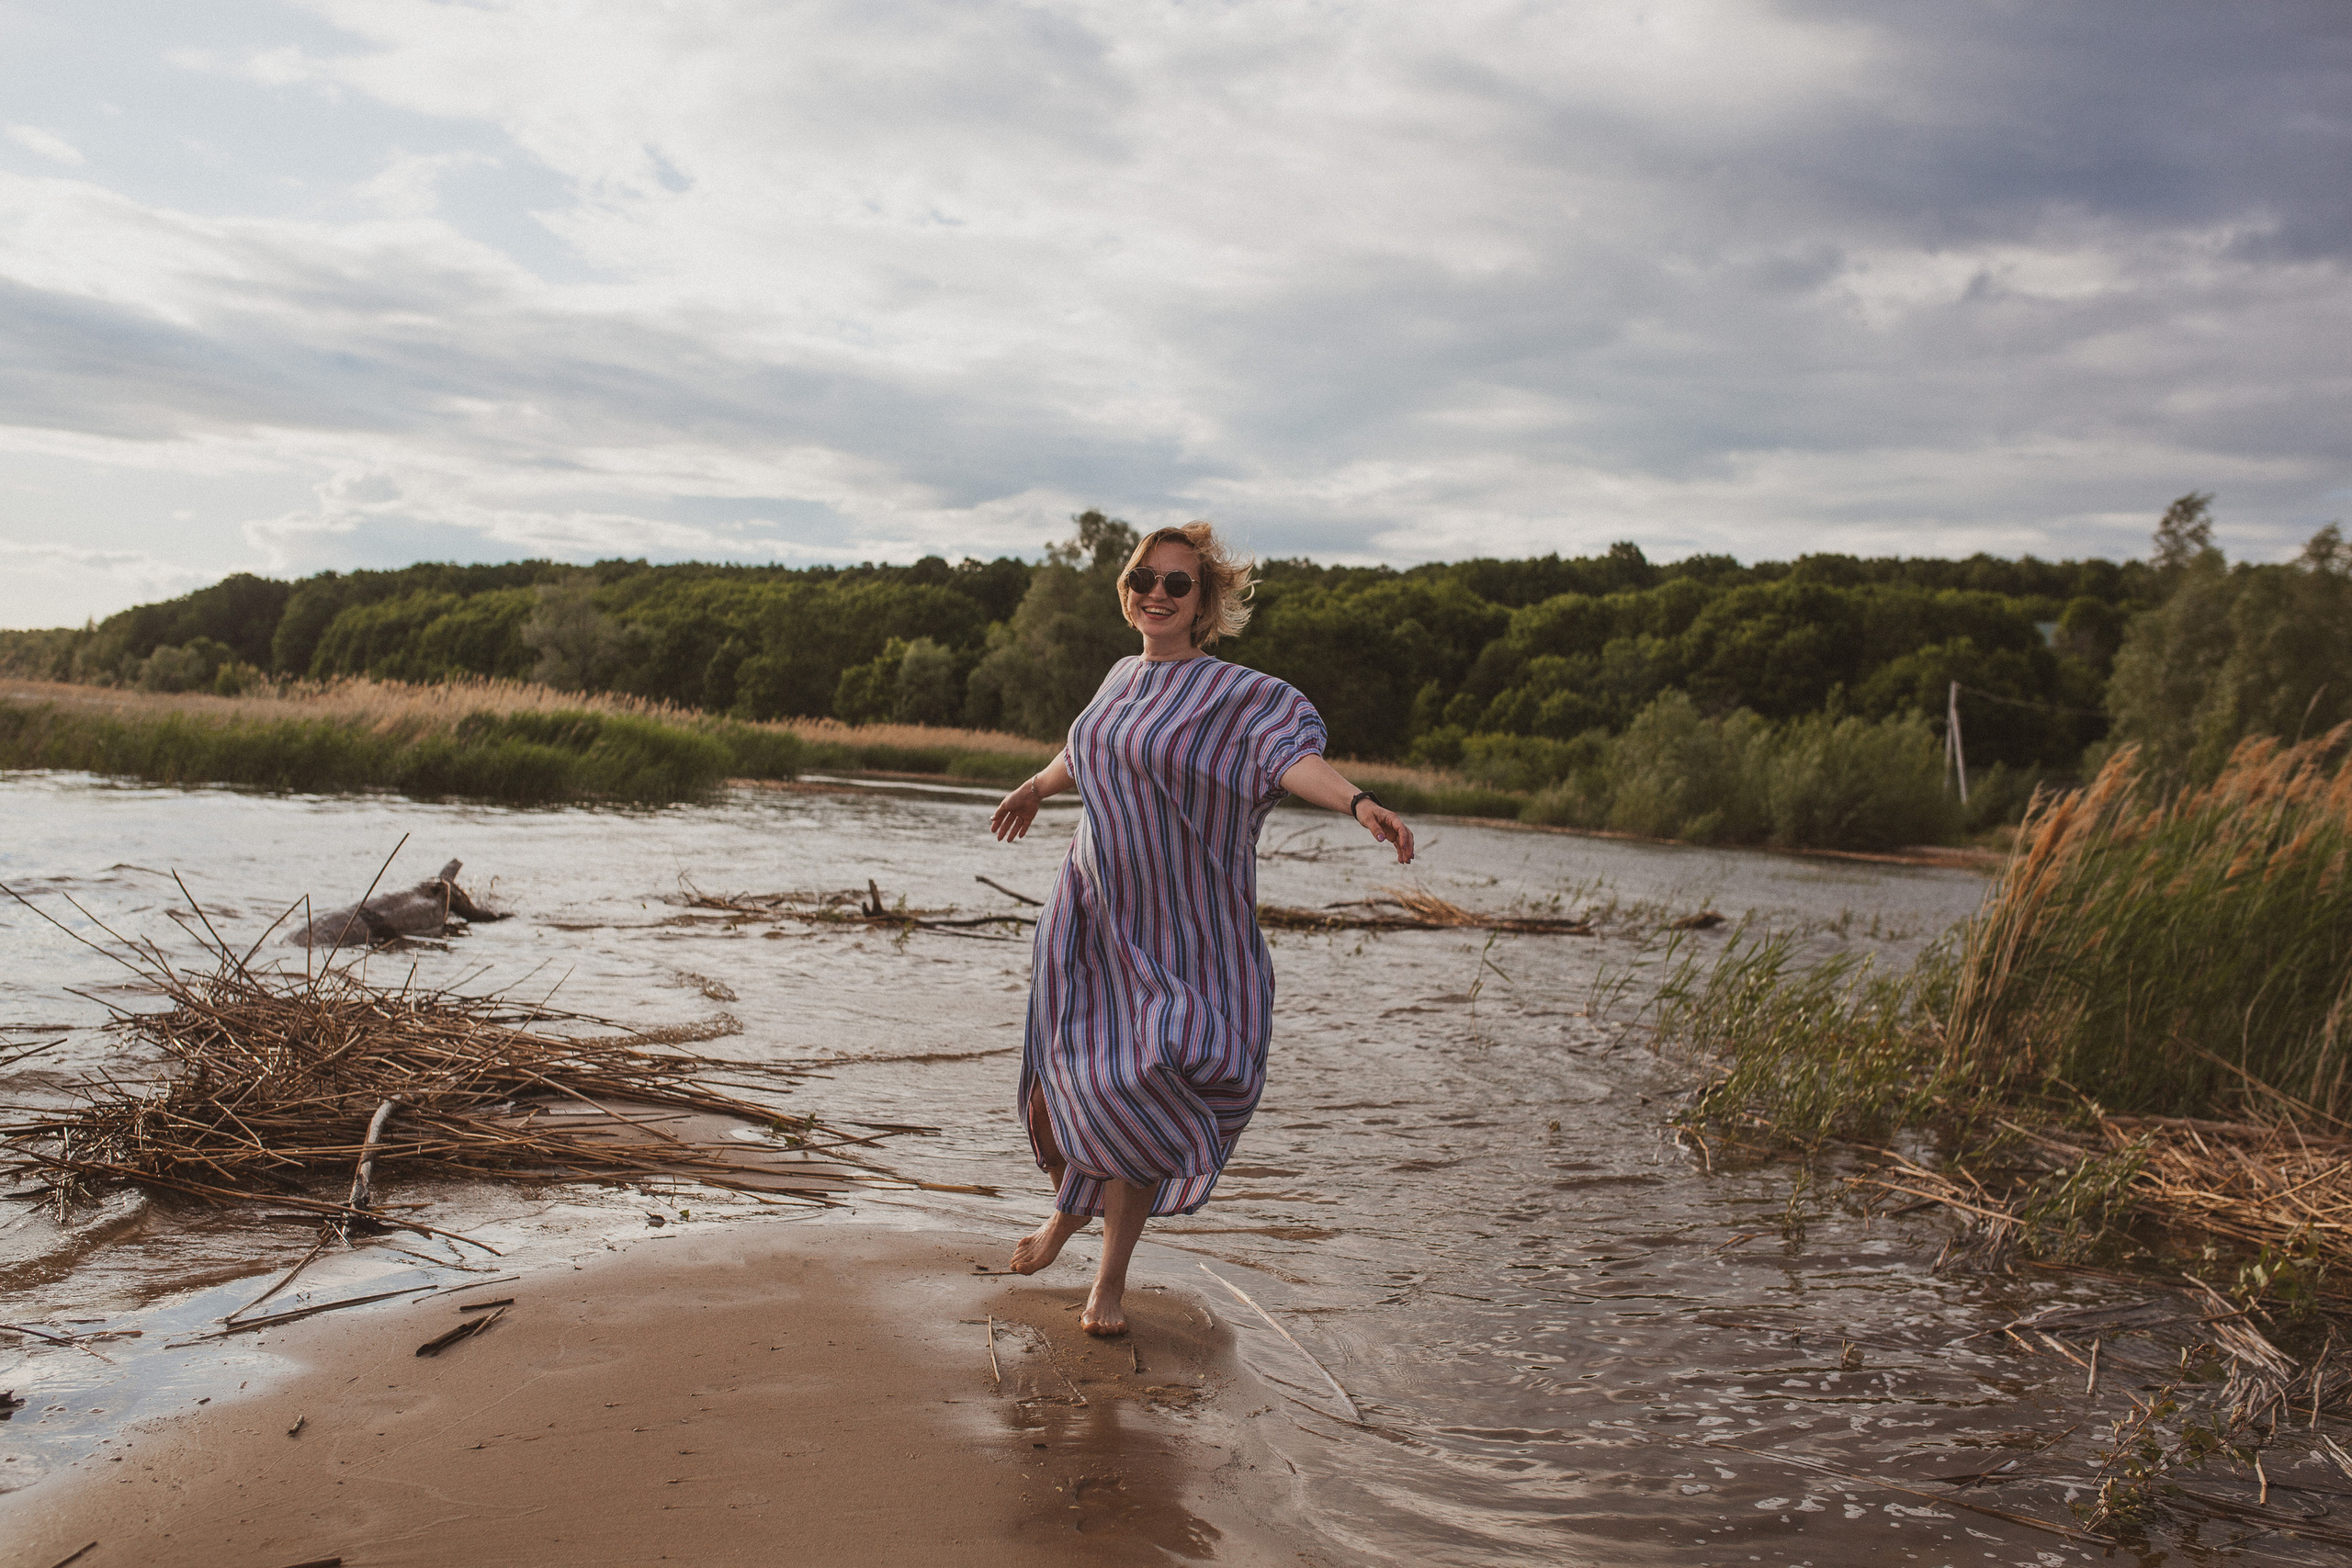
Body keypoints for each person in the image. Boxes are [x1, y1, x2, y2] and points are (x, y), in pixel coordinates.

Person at [989, 521, 1415, 1336]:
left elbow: (1288, 757)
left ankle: (1103, 1279)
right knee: (1064, 1081)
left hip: (1179, 932)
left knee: (1145, 1080)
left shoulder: (1230, 695)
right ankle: (1066, 1214)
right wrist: (1036, 786)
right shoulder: (1119, 677)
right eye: (1145, 576)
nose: (1157, 591)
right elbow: (1084, 752)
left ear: (1204, 602)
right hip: (1089, 917)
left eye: (1177, 583)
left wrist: (1358, 802)